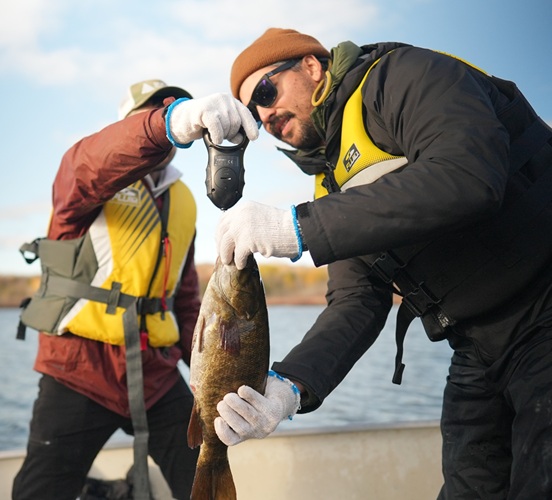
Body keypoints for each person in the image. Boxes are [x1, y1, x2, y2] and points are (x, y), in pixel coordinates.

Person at [213, 28, 552, 499]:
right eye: (254, 111)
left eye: (267, 92)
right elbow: (357, 300)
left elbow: (469, 174)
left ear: (312, 67)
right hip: (477, 347)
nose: (265, 115)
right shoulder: (331, 185)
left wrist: (299, 227)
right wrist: (290, 387)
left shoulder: (402, 78)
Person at [13, 79, 258, 500]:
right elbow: (92, 160)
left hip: (156, 374)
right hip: (79, 368)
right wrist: (167, 122)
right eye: (155, 111)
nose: (170, 113)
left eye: (177, 107)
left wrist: (215, 374)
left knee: (203, 474)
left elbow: (184, 299)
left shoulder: (183, 198)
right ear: (132, 125)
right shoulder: (86, 179)